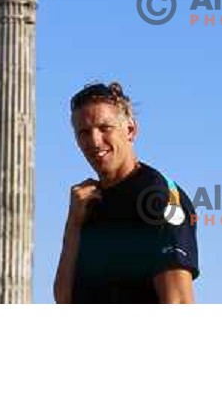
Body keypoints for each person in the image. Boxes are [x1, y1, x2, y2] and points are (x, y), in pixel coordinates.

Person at [53, 81, 200, 304]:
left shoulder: (157, 197)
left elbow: (179, 303)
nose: (94, 141)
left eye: (105, 128)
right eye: (84, 132)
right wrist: (73, 224)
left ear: (130, 130)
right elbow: (64, 299)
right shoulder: (87, 202)